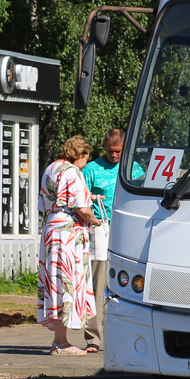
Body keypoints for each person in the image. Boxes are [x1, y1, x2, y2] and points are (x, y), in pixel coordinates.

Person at [80, 128, 144, 354]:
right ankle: (94, 338)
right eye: (110, 151)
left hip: (127, 231)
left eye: (118, 151)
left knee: (129, 286)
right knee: (98, 285)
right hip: (100, 229)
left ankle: (128, 335)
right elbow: (81, 200)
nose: (114, 155)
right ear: (103, 147)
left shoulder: (133, 169)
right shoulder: (92, 170)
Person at [37, 135, 98, 355]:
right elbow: (81, 208)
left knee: (56, 281)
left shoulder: (50, 168)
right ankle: (61, 343)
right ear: (80, 154)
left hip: (52, 227)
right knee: (67, 281)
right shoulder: (72, 172)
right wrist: (95, 220)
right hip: (67, 232)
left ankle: (59, 339)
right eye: (86, 157)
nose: (85, 162)